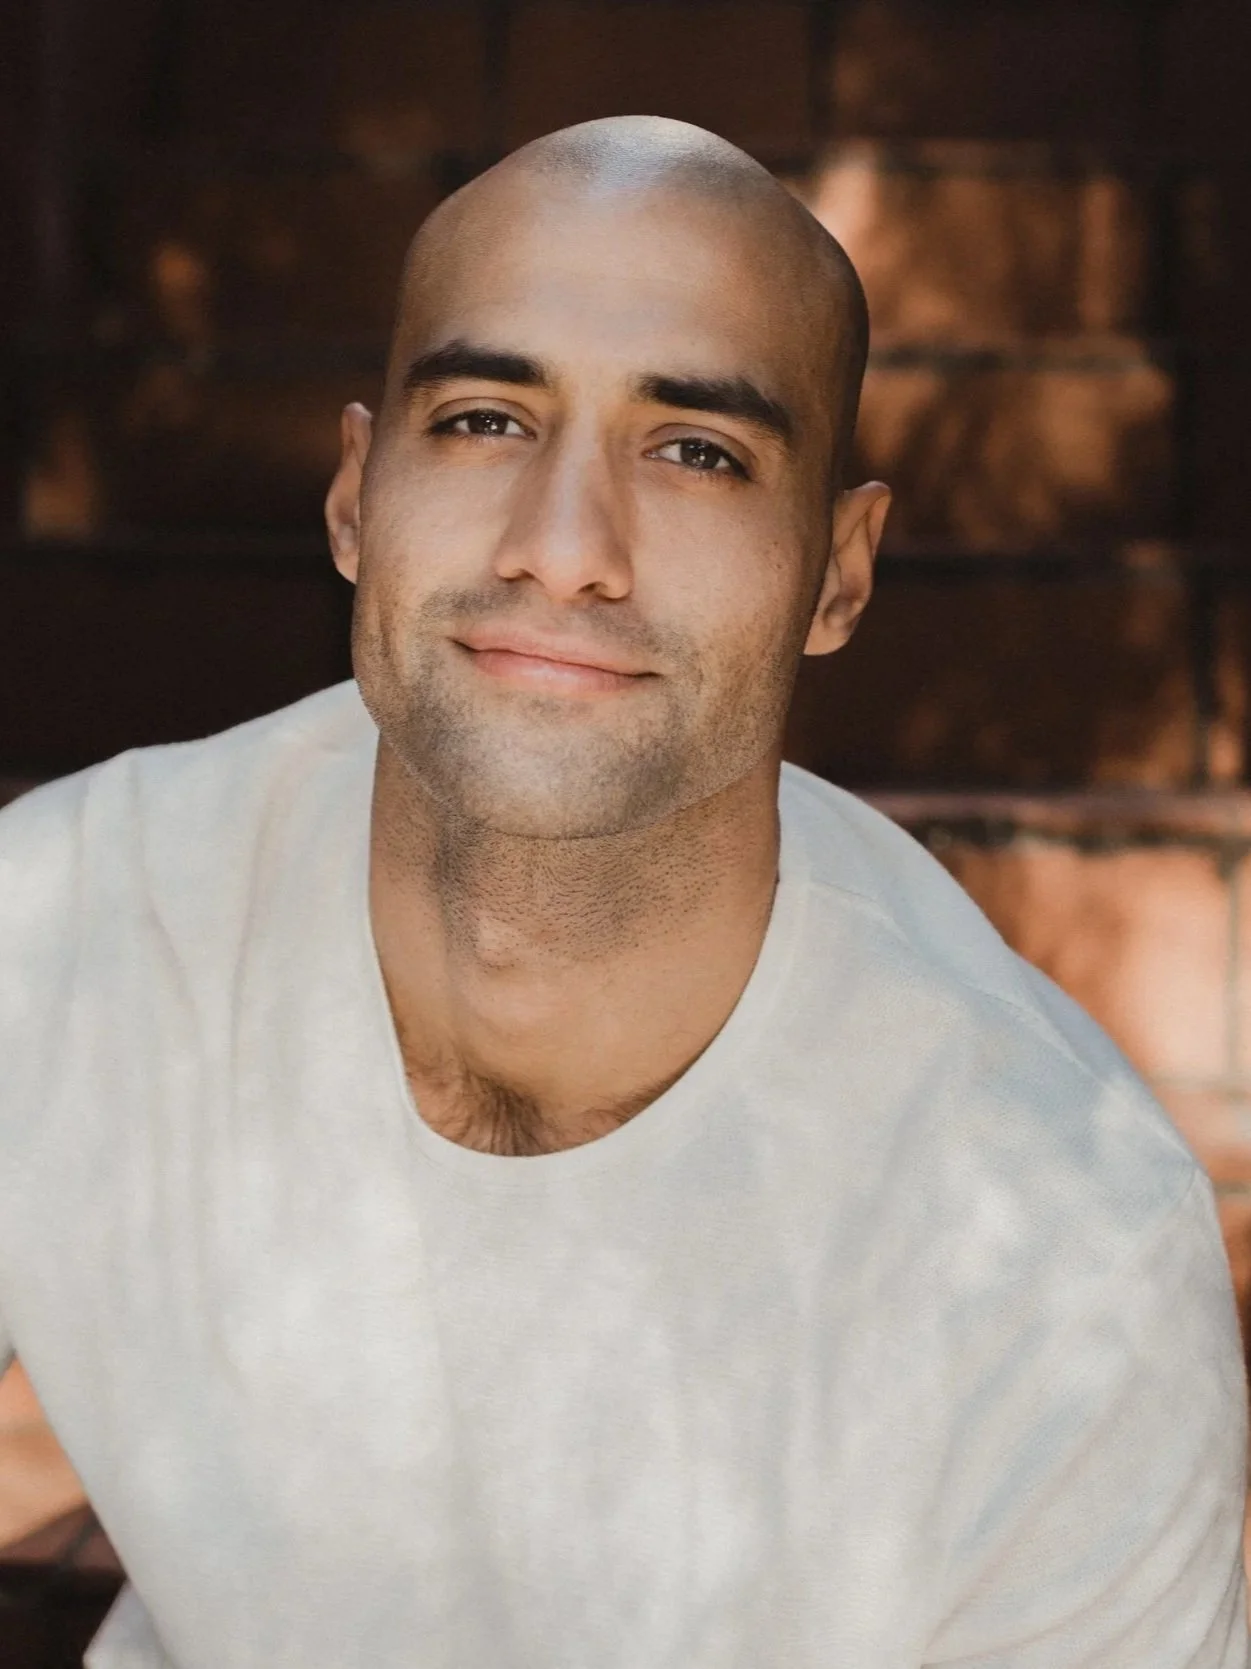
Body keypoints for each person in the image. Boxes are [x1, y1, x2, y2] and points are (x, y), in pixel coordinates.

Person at [0, 115, 1246, 1668]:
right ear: (354, 495)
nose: (562, 548)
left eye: (696, 451)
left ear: (838, 571)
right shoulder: (64, 933)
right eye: (483, 419)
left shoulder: (1059, 1262)